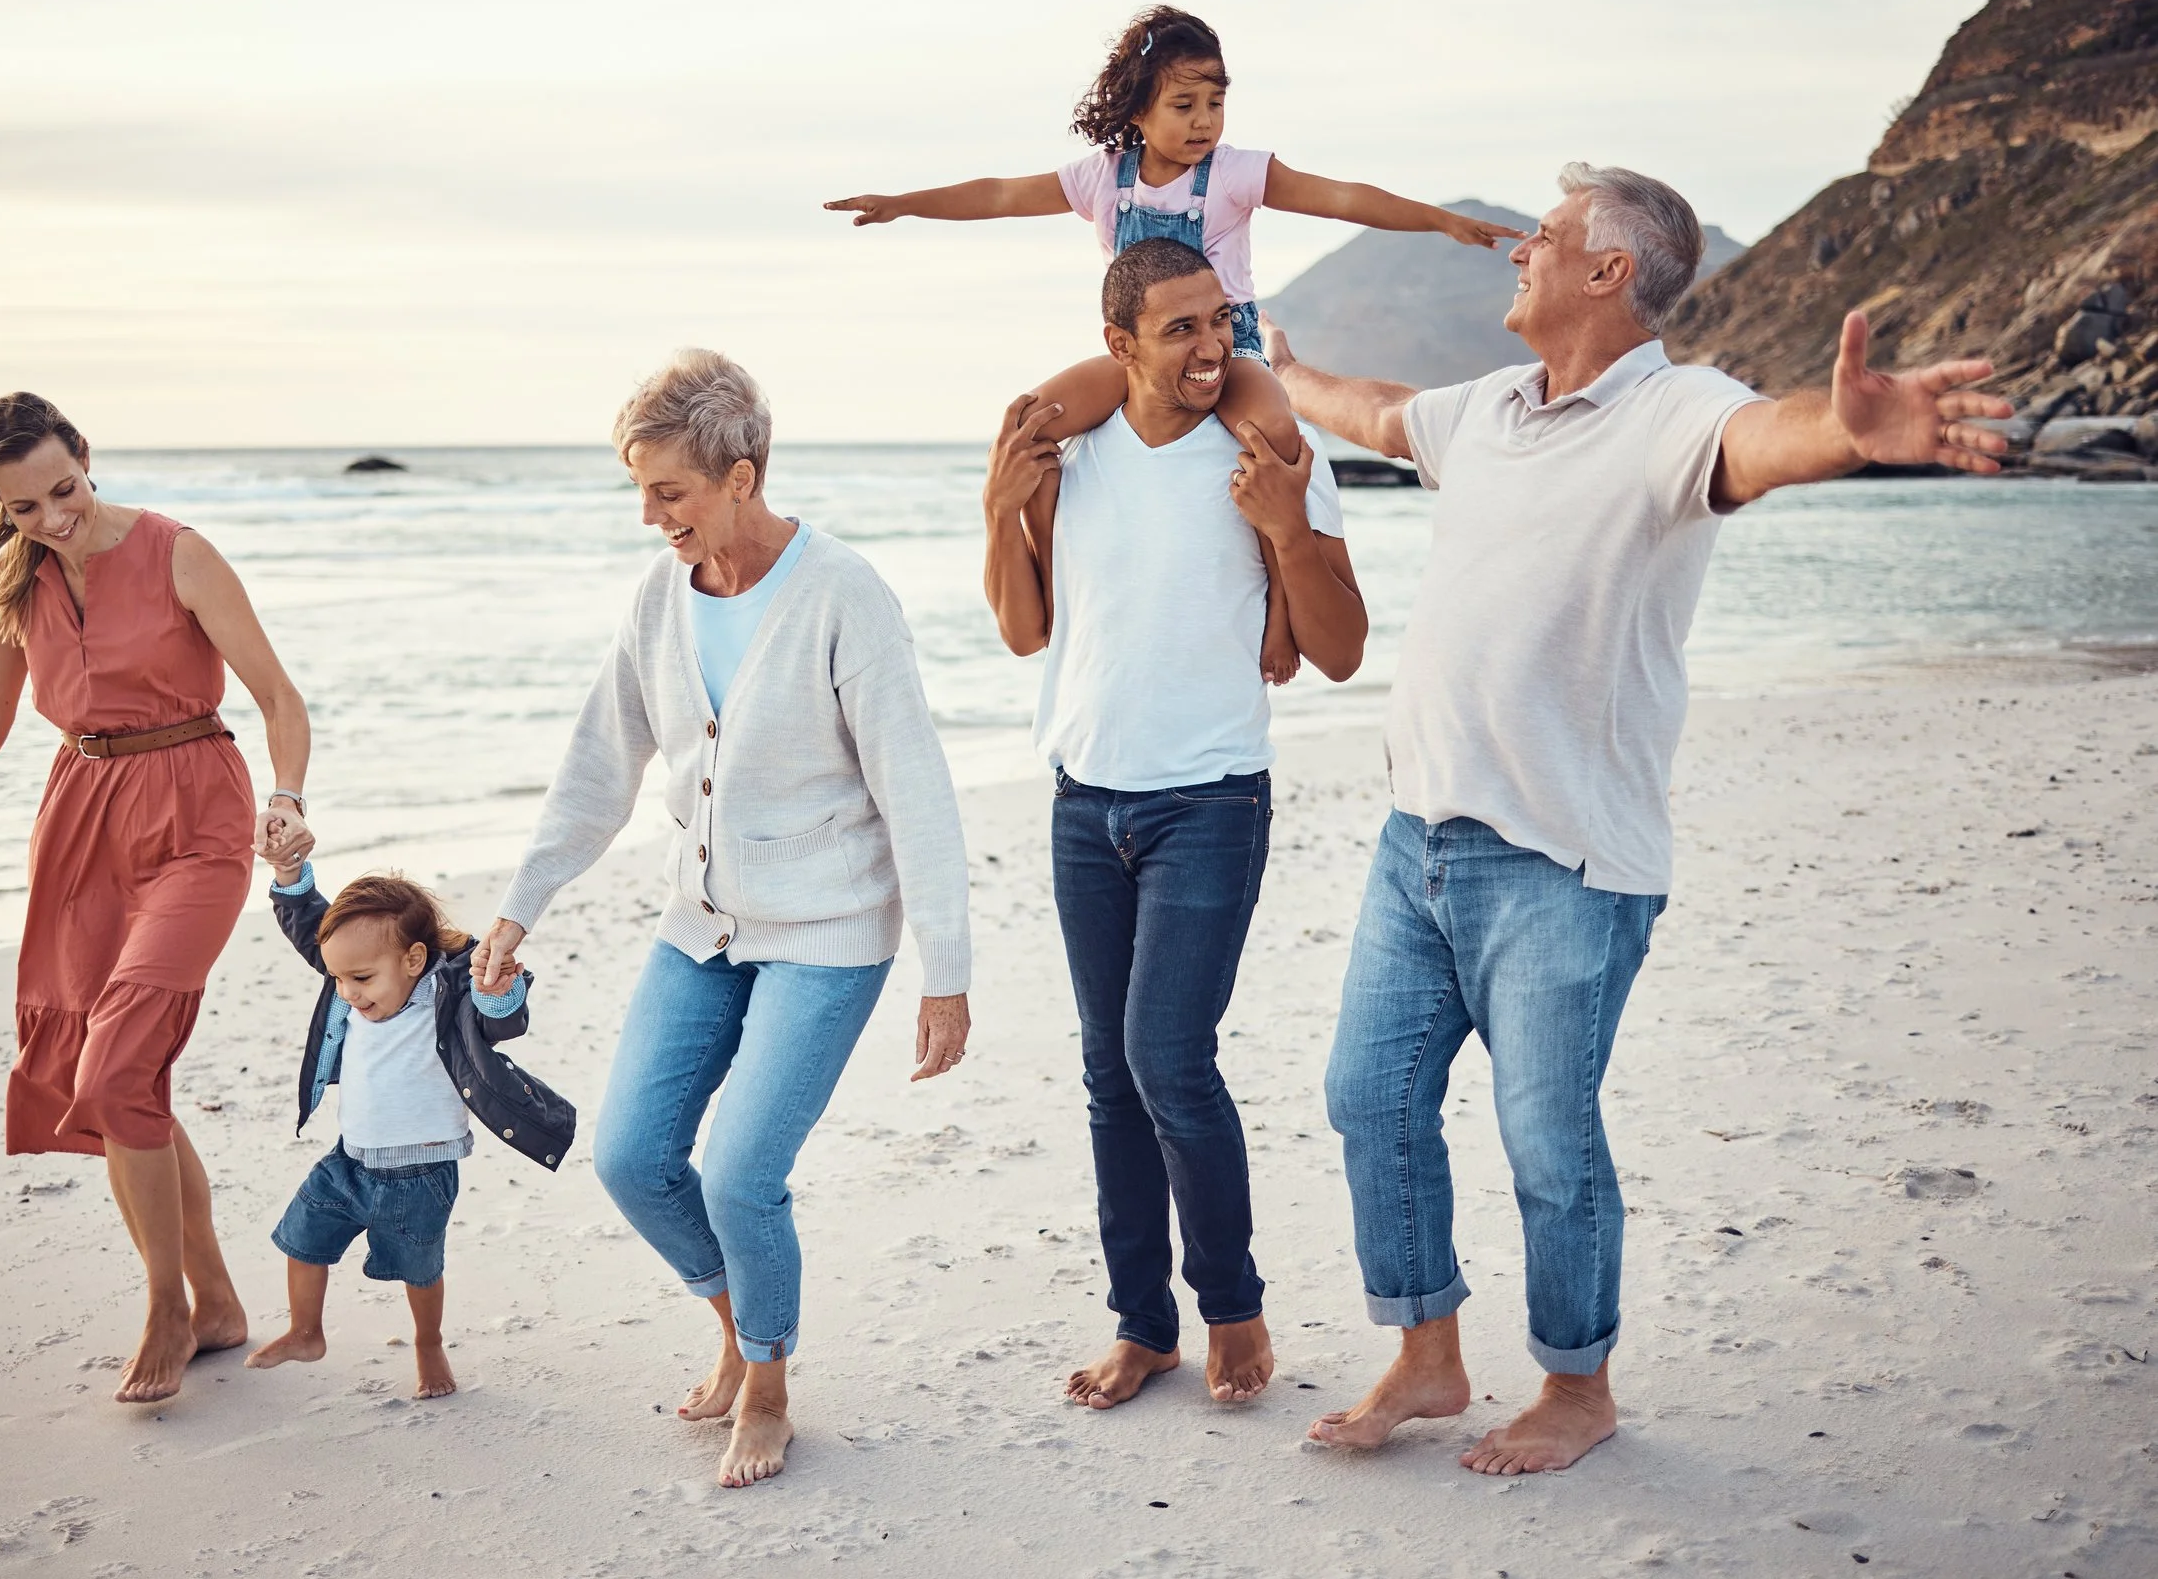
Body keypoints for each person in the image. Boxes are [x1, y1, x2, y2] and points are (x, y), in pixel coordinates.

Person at [1271, 162, 2012, 1475]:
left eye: (1544, 239)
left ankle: (1576, 1386)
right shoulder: (1489, 409)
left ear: (1610, 272)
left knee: (1547, 1136)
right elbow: (1379, 413)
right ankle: (1430, 1355)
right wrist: (1283, 372)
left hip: (1565, 865)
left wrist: (1849, 434)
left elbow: (1762, 443)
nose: (1518, 254)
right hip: (1418, 846)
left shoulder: (1679, 413)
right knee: (1367, 1102)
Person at [468, 349, 976, 1489]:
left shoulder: (844, 595)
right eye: (640, 492)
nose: (651, 519)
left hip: (828, 932)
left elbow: (914, 786)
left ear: (741, 477)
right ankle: (736, 1322)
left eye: (671, 495)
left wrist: (946, 968)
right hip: (700, 927)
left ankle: (771, 1385)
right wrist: (521, 905)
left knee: (741, 1170)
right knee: (633, 1156)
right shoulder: (660, 598)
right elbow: (600, 764)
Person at [0, 392, 318, 1406]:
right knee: (123, 1081)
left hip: (195, 812)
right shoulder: (18, 584)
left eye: (65, 490)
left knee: (118, 1059)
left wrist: (288, 798)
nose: (53, 517)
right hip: (81, 824)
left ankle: (164, 1310)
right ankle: (217, 1301)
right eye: (24, 508)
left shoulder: (180, 553)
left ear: (86, 458)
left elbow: (276, 695)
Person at [828, 3, 1515, 683]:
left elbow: (1337, 197)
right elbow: (1003, 193)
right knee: (1028, 421)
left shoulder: (1237, 173)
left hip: (1230, 347)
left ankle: (1279, 608)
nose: (1204, 122)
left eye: (1215, 103)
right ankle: (1051, 577)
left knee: (1272, 429)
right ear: (1137, 110)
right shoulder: (1102, 176)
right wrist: (904, 202)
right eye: (1183, 105)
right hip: (1144, 356)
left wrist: (1437, 220)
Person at [981, 238, 1368, 1411]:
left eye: (1220, 325)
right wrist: (1003, 513)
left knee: (1167, 1061)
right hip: (1081, 801)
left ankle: (1233, 1308)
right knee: (1109, 1076)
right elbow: (1023, 630)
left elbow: (1342, 651)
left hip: (1208, 801)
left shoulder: (1266, 453)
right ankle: (1143, 1327)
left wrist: (1288, 525)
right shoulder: (1073, 455)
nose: (1211, 349)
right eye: (1179, 330)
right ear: (1119, 346)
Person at [245, 868, 573, 1399]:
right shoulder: (354, 984)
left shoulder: (447, 998)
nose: (348, 993)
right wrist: (289, 876)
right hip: (348, 1161)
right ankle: (306, 1332)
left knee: (419, 1269)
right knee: (302, 1240)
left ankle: (428, 1343)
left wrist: (497, 991)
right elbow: (312, 926)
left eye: (361, 979)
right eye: (337, 980)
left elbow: (498, 1022)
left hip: (422, 1173)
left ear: (413, 960)